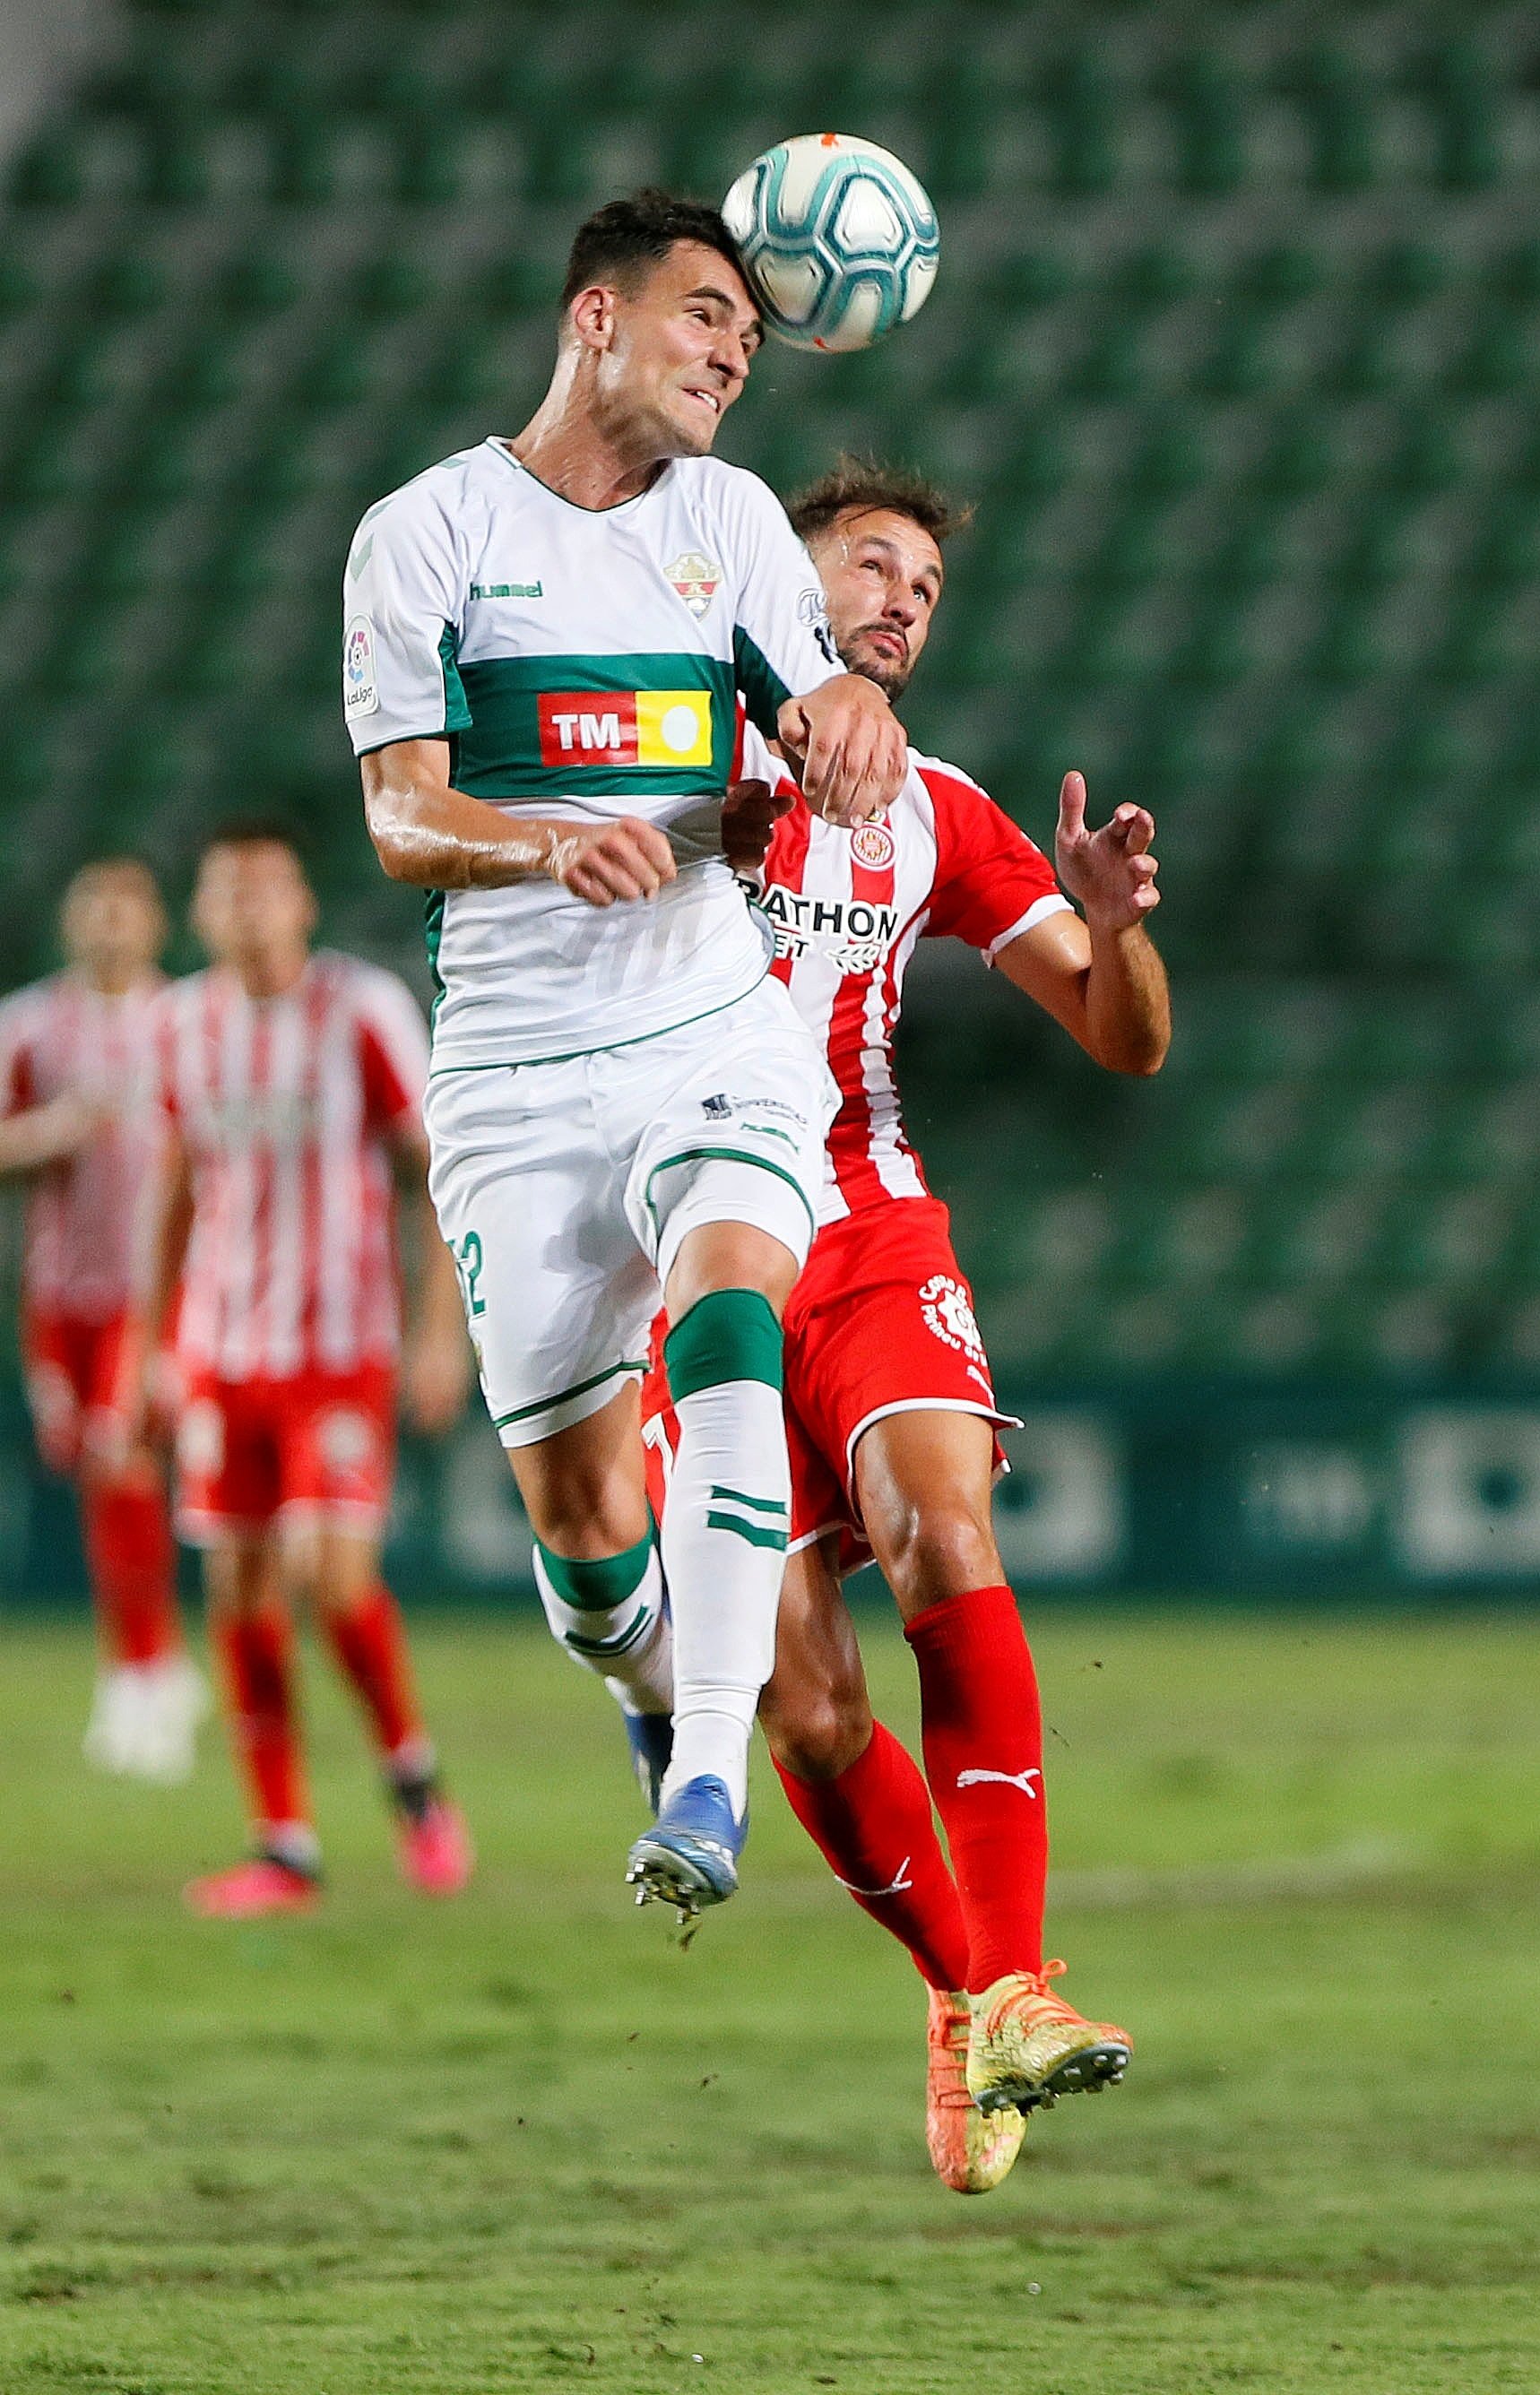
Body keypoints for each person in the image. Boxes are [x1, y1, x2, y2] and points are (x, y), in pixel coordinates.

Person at [348, 189, 904, 1919]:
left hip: (702, 1033)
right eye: (702, 319)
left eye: (749, 333)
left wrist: (841, 731)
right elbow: (398, 813)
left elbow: (808, 709)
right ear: (595, 319)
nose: (737, 352)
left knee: (730, 1304)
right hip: (513, 1077)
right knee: (591, 1551)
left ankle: (719, 1780)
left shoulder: (732, 522)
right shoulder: (428, 529)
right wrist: (540, 839)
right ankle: (651, 1699)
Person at [640, 458, 1170, 2191]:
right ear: (780, 583)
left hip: (862, 1222)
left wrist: (1107, 922)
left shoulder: (934, 804)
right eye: (869, 564)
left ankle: (1011, 1985)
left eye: (924, 588)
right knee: (801, 1702)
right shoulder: (674, 744)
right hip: (694, 1230)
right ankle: (963, 1998)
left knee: (945, 1530)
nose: (899, 599)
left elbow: (1122, 1036)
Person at [123, 824, 473, 1918]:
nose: (246, 908)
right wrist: (147, 1340)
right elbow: (177, 1182)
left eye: (265, 887)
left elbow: (431, 1171)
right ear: (202, 913)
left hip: (339, 1341)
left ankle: (411, 1779)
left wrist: (438, 1327)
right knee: (236, 1588)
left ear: (301, 903)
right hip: (223, 1348)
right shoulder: (179, 1022)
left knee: (333, 1581)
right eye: (225, 891)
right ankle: (283, 1841)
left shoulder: (361, 1008)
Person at [0, 858, 206, 1782]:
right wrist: (52, 1132)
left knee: (125, 1465)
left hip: (163, 1289)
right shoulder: (30, 1025)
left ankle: (143, 1673)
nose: (109, 927)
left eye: (125, 909)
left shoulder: (189, 1019)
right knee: (102, 1474)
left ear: (155, 922)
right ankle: (153, 1665)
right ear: (71, 924)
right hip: (61, 1292)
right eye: (93, 910)